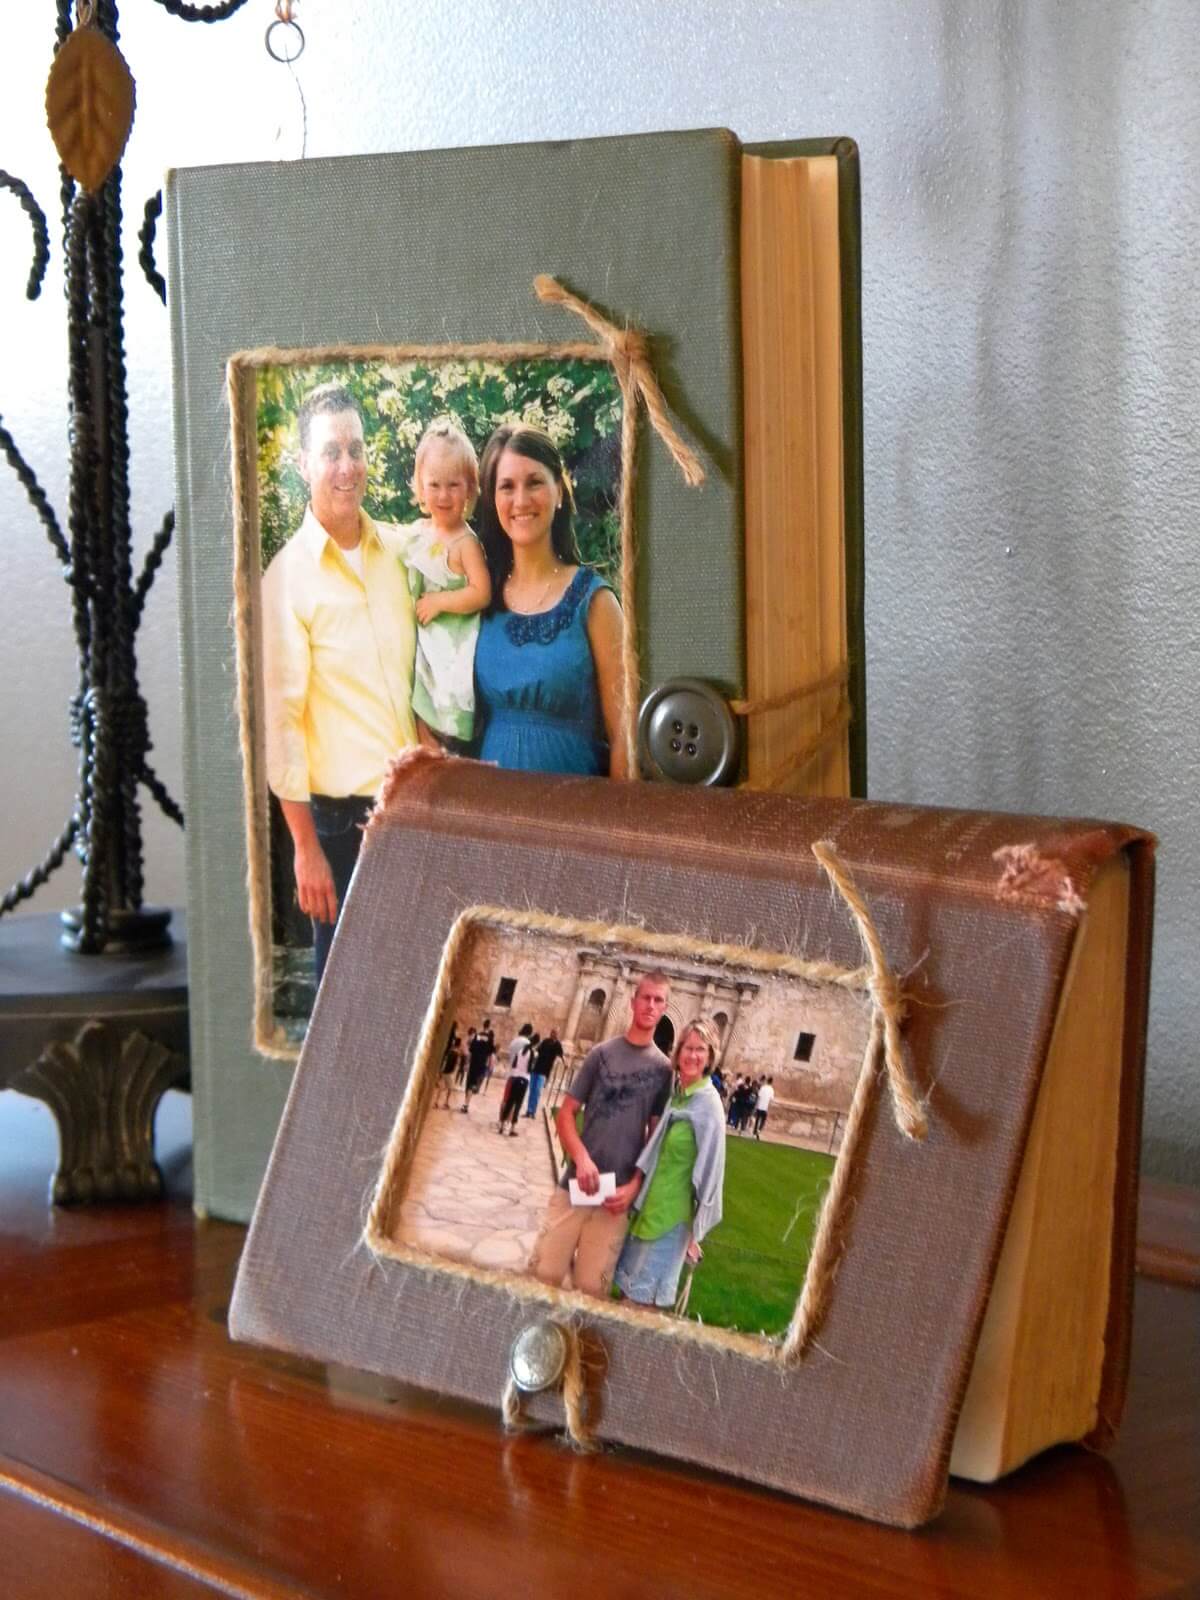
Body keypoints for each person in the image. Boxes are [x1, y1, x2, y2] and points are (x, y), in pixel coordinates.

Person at [260, 383, 418, 983]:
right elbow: (282, 727)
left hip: (412, 809)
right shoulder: (288, 579)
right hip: (338, 825)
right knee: (346, 993)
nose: (347, 466)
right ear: (303, 464)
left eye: (356, 448)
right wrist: (305, 849)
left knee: (412, 986)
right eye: (331, 452)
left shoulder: (401, 552)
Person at [472, 424, 628, 779]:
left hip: (574, 817)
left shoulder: (595, 601)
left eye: (534, 482)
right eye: (507, 486)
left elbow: (624, 737)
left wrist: (616, 831)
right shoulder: (480, 599)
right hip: (492, 815)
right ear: (492, 500)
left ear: (559, 491)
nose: (521, 500)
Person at [529, 974, 672, 1298]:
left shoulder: (664, 1071)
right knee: (542, 1275)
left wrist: (635, 1185)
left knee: (592, 1290)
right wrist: (580, 1159)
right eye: (646, 997)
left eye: (658, 1000)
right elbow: (566, 1113)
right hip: (575, 1187)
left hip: (616, 1198)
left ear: (664, 1008)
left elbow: (655, 1137)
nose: (650, 1005)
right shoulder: (601, 1054)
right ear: (633, 1001)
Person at [614, 1019, 727, 1312]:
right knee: (625, 1301)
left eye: (700, 1049)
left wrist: (695, 1233)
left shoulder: (709, 1105)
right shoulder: (678, 1098)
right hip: (648, 1212)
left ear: (710, 1057)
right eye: (687, 1048)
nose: (692, 1055)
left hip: (670, 1222)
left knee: (640, 1310)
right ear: (677, 1054)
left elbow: (712, 1175)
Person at [398, 418, 491, 747]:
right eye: (434, 485)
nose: (443, 494)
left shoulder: (465, 543)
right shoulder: (421, 531)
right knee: (421, 701)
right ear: (421, 487)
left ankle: (447, 745)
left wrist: (439, 602)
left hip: (452, 640)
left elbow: (481, 592)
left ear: (469, 488)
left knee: (446, 700)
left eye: (454, 485)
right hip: (425, 641)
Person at [498, 1027, 533, 1135]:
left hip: (511, 1074)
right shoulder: (527, 1043)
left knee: (506, 1099)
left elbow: (510, 1057)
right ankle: (509, 1122)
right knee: (516, 1102)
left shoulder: (514, 1041)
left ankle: (501, 1121)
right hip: (520, 1075)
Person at [525, 1028, 563, 1119]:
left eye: (555, 1033)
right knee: (531, 1090)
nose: (552, 1034)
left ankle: (533, 1111)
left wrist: (565, 1064)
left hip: (544, 1072)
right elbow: (537, 1050)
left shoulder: (557, 1045)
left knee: (537, 1091)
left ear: (557, 1034)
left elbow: (561, 1055)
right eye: (552, 1032)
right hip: (536, 1069)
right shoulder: (545, 1041)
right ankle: (528, 1110)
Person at [461, 1019, 495, 1112]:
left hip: (474, 1062)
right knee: (473, 1084)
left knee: (469, 1082)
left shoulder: (477, 1036)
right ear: (489, 1027)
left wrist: (467, 1063)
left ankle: (466, 1103)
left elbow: (471, 1051)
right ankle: (467, 1103)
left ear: (483, 1026)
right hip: (482, 1064)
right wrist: (490, 1065)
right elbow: (491, 1053)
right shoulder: (490, 1039)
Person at [434, 1023, 461, 1109]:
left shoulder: (449, 1052)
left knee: (441, 1088)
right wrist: (453, 1071)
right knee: (450, 1088)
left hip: (444, 1071)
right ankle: (446, 1103)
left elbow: (445, 1061)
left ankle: (436, 1102)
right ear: (459, 1045)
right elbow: (456, 1065)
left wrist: (441, 1071)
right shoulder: (456, 1054)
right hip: (449, 1073)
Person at [753, 1075, 775, 1140]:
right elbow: (771, 1099)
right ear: (771, 1082)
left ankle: (754, 1132)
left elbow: (759, 1096)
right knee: (763, 1120)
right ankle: (759, 1130)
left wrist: (756, 1106)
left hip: (760, 1106)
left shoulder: (763, 1088)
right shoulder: (771, 1090)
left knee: (757, 1120)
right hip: (765, 1108)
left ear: (767, 1081)